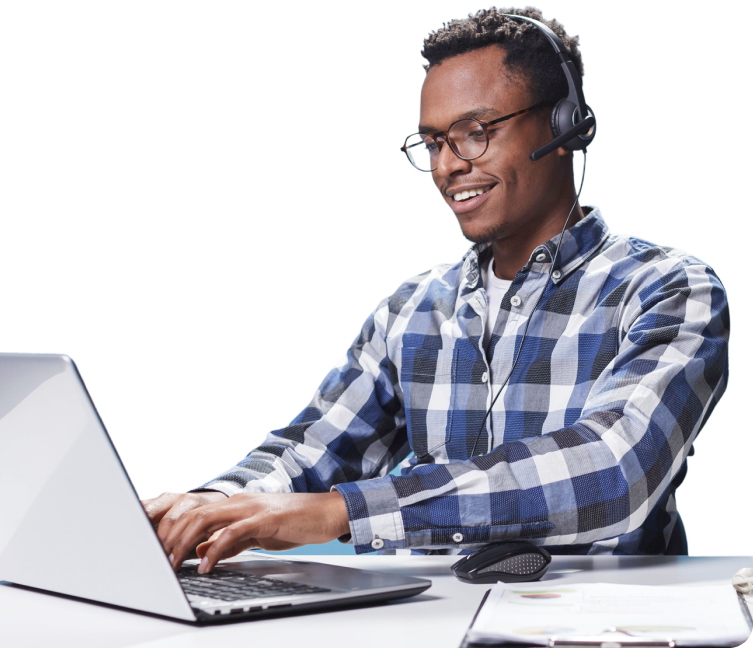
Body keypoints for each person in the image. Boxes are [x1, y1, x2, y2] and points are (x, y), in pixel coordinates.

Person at [143, 5, 730, 574]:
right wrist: (207, 505)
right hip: (424, 626)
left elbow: (614, 468)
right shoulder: (413, 308)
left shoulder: (669, 289)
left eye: (474, 133)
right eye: (432, 144)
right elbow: (317, 449)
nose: (448, 166)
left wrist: (345, 511)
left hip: (598, 631)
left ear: (564, 125)